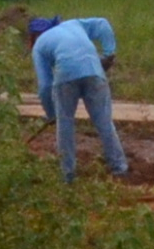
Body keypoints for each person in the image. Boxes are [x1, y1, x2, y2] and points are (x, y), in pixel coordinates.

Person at [28, 15, 126, 182]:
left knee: (64, 124)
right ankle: (120, 168)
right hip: (94, 70)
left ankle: (68, 176)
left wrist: (51, 113)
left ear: (34, 35)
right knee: (104, 123)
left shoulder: (39, 45)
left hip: (65, 77)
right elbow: (102, 23)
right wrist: (109, 53)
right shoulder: (74, 24)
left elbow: (45, 86)